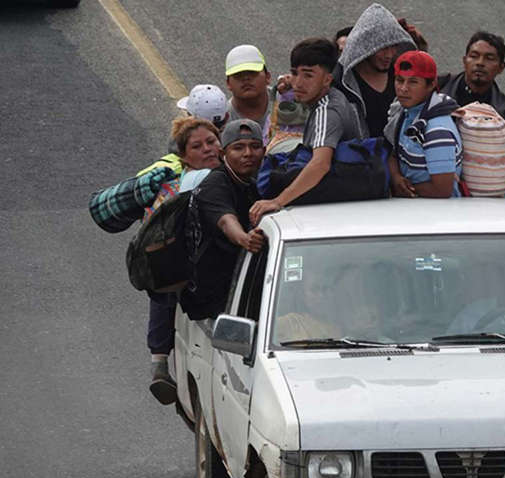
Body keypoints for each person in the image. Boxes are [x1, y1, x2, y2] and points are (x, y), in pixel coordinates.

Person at [148, 117, 222, 404]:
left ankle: (159, 363)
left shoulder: (179, 183)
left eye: (211, 142)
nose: (207, 149)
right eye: (197, 146)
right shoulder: (196, 184)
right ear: (184, 156)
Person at [249, 38, 366, 219]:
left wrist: (278, 201)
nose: (298, 83)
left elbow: (320, 164)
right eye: (295, 73)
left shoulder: (327, 112)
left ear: (328, 79)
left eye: (308, 75)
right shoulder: (332, 97)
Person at [180, 120, 266, 321]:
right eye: (238, 148)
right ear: (223, 154)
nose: (248, 154)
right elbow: (226, 221)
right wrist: (245, 239)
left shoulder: (253, 183)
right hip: (211, 303)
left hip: (238, 286)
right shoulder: (215, 185)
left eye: (254, 147)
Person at [384, 51, 462, 198]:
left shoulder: (437, 130)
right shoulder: (405, 113)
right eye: (400, 80)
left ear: (431, 84)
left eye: (413, 82)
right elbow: (394, 154)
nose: (403, 88)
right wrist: (396, 178)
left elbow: (442, 190)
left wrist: (403, 189)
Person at [333, 3, 415, 137]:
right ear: (365, 47)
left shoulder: (402, 74)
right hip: (358, 154)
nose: (389, 55)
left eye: (393, 46)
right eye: (382, 48)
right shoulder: (341, 83)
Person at [438, 31, 505, 111]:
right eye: (474, 56)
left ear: (501, 68)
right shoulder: (438, 86)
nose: (480, 63)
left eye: (489, 58)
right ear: (464, 61)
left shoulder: (503, 111)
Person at [224, 45, 272, 143]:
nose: (246, 79)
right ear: (228, 84)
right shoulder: (222, 119)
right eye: (238, 75)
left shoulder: (287, 102)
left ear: (268, 77)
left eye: (252, 73)